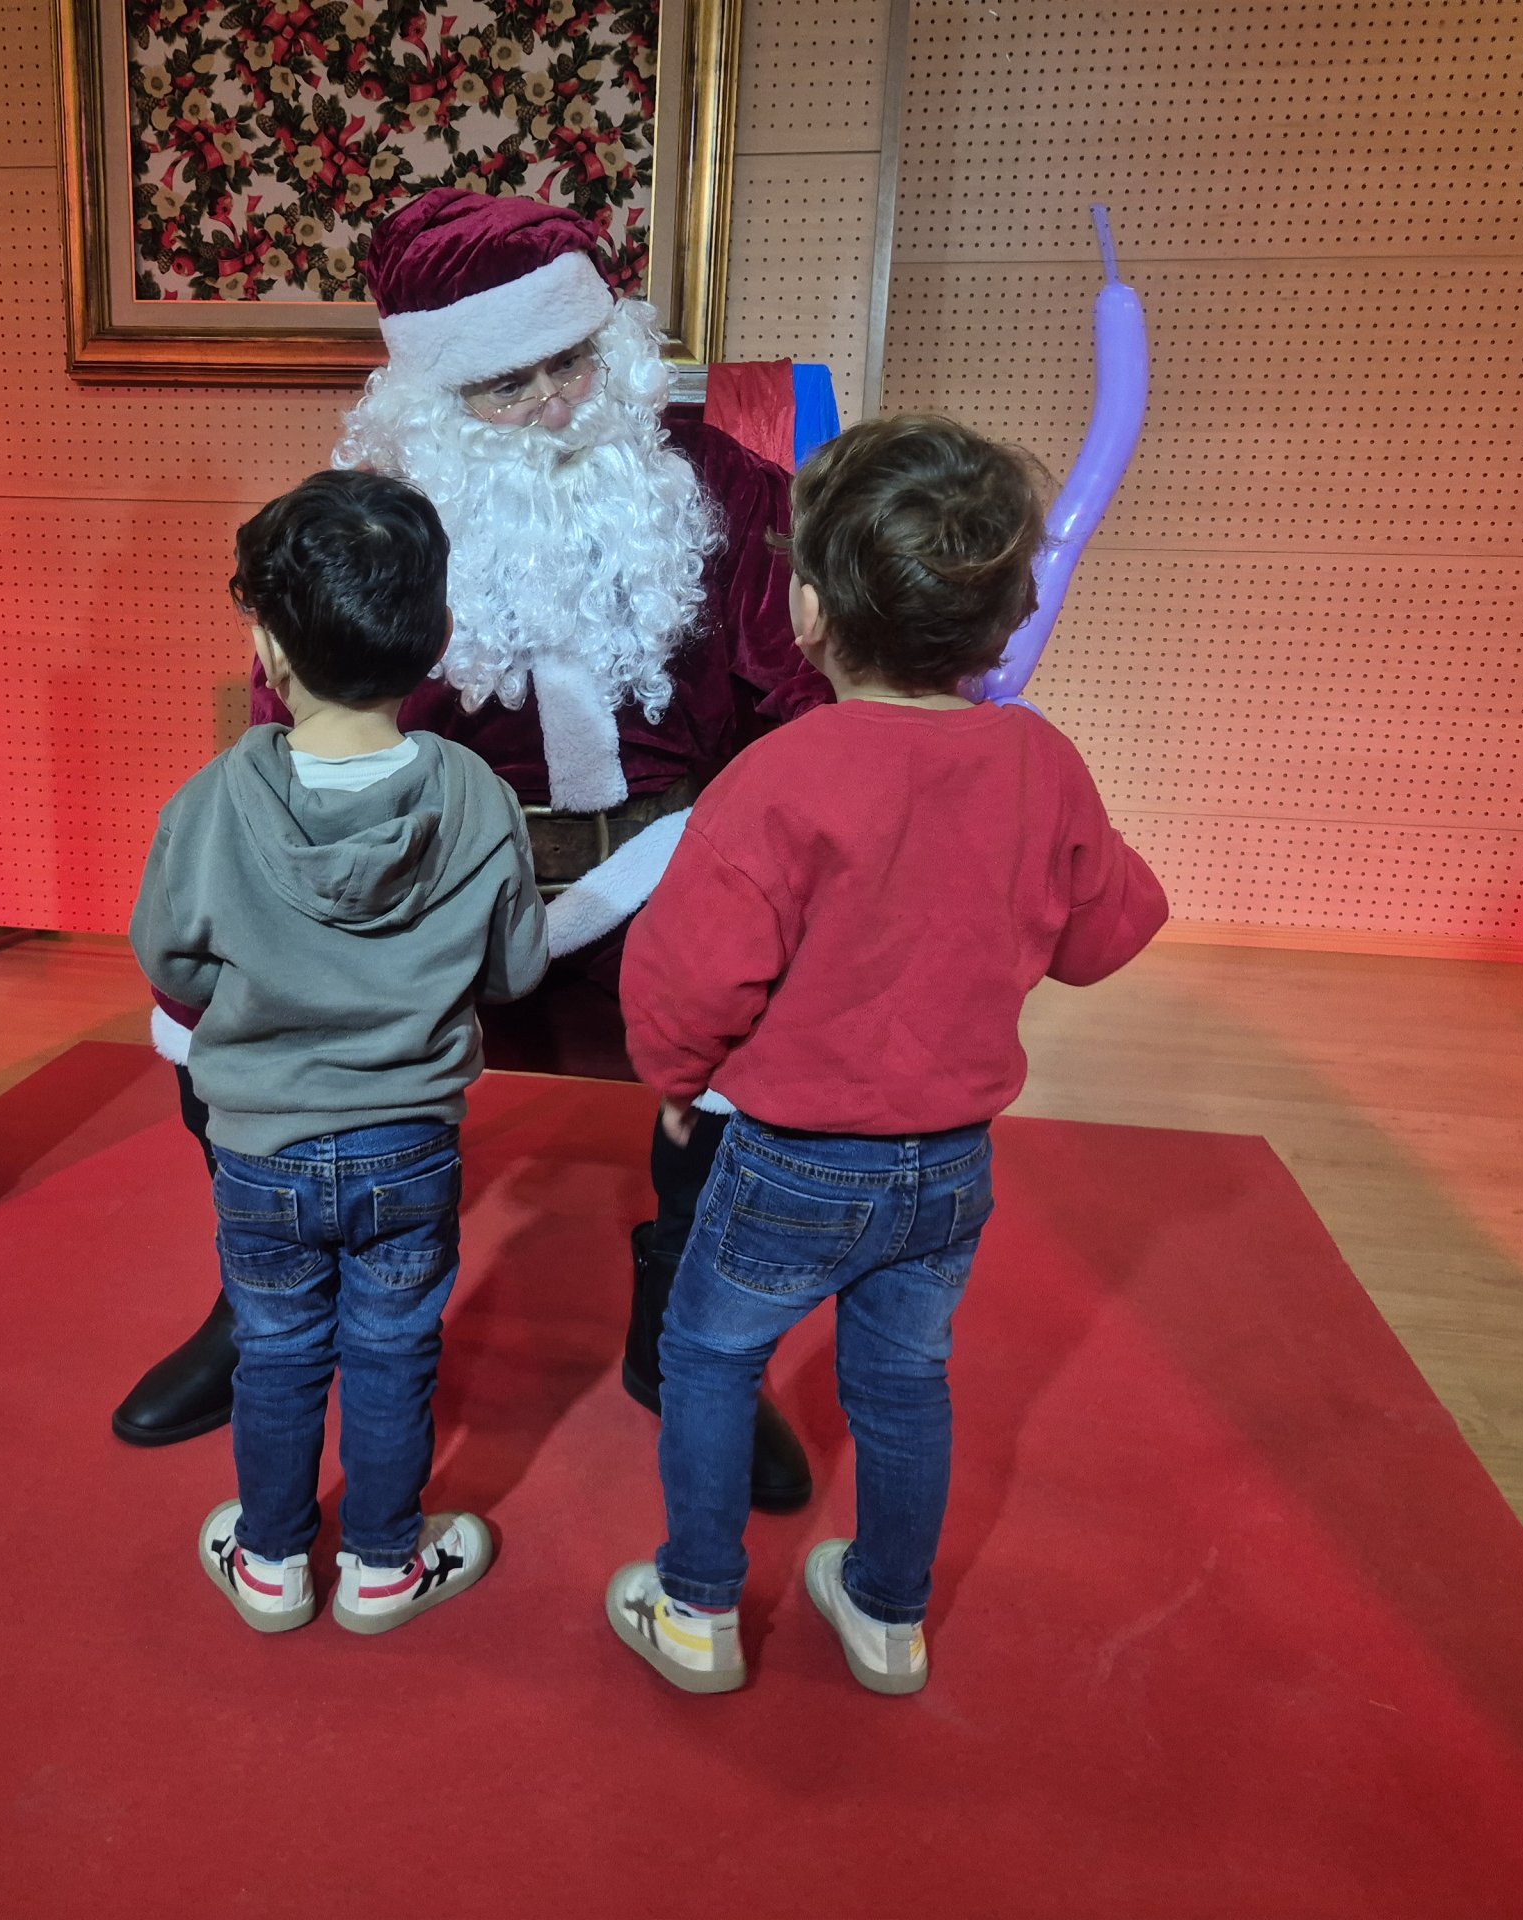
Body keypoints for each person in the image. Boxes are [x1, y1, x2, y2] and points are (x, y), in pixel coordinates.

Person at [116, 188, 824, 1515]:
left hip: (664, 867)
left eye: (573, 360)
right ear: (437, 391)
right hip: (433, 873)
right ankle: (259, 1301)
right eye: (507, 384)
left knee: (773, 1033)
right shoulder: (371, 517)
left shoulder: (721, 485)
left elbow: (799, 716)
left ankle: (686, 1331)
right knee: (210, 1019)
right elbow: (303, 732)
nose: (557, 403)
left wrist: (755, 884)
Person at [602, 416, 1169, 1695]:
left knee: (705, 1355)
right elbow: (1105, 936)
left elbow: (688, 973)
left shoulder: (777, 776)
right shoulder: (1042, 763)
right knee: (905, 1382)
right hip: (949, 1168)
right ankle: (887, 1614)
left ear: (806, 608)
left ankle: (697, 1610)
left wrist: (679, 1079)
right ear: (1008, 615)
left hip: (792, 1161)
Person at [130, 470, 547, 1635]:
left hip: (259, 1149)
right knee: (394, 1348)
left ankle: (269, 1564)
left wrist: (261, 1004)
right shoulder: (479, 797)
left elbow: (172, 963)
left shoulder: (210, 802)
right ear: (440, 636)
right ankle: (380, 1564)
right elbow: (514, 974)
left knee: (274, 1348)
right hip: (409, 1145)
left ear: (263, 642)